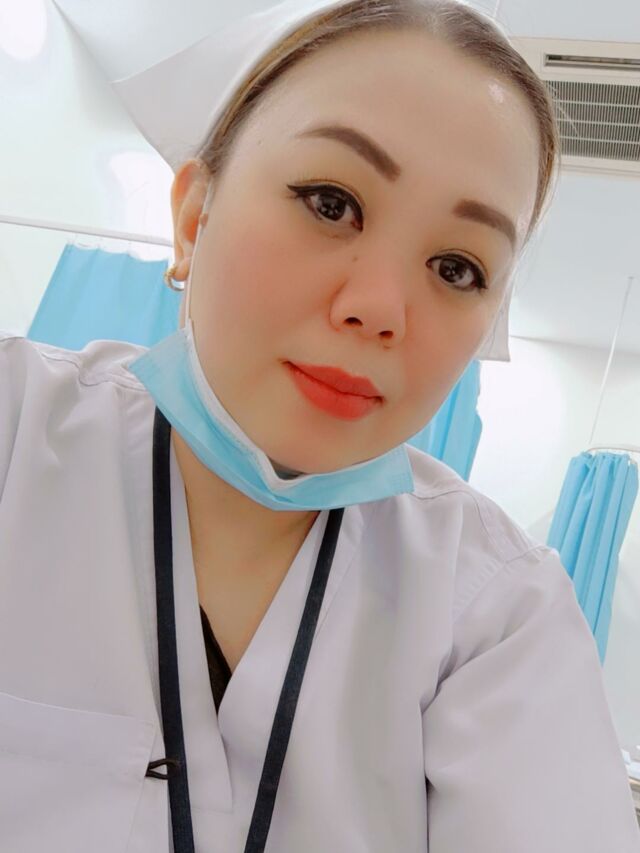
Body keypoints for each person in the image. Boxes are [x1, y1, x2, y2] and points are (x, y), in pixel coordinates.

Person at [1, 0, 639, 851]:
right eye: (331, 202)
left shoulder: (494, 608)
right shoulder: (15, 430)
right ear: (192, 217)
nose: (379, 308)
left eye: (457, 267)